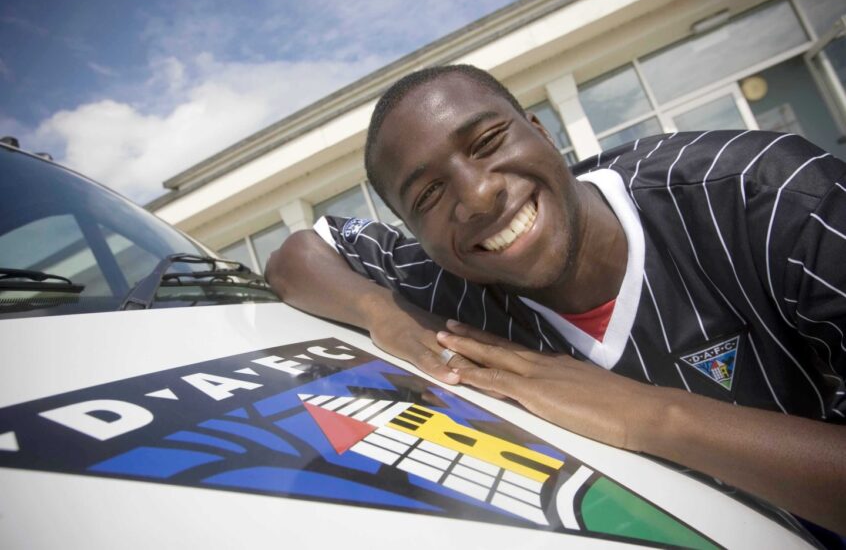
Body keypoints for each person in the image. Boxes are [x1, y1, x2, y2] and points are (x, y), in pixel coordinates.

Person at [265, 64, 846, 534]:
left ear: (542, 132)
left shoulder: (768, 198)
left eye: (488, 142)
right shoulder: (447, 275)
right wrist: (381, 315)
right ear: (419, 236)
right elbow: (298, 254)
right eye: (429, 193)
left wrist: (646, 416)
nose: (478, 195)